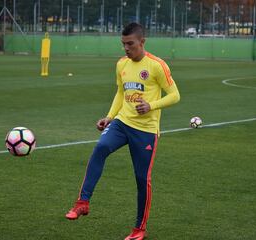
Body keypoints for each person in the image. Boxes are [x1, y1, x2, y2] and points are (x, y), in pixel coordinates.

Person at [65, 22, 180, 240]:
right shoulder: (121, 64)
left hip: (145, 131)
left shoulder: (157, 65)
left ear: (142, 42)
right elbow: (120, 93)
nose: (126, 48)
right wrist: (109, 117)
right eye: (123, 44)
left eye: (130, 44)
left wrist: (151, 105)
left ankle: (139, 229)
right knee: (100, 148)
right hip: (122, 122)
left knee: (141, 179)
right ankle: (83, 202)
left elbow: (175, 95)